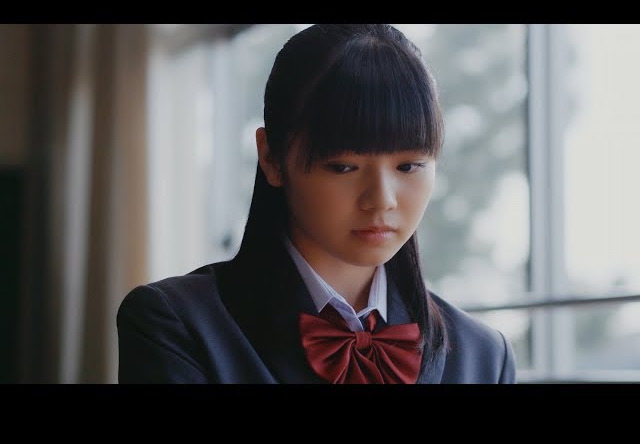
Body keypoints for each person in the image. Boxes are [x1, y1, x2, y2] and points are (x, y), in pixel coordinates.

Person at [117, 24, 517, 384]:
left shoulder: (483, 356)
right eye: (343, 167)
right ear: (272, 158)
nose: (381, 199)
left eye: (409, 166)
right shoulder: (179, 325)